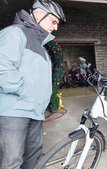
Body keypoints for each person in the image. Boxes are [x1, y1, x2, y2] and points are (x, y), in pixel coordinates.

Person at [0, 0, 66, 168]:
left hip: (35, 112)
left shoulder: (42, 47)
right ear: (39, 14)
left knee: (33, 161)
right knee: (12, 162)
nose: (55, 27)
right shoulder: (14, 33)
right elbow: (2, 67)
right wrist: (24, 92)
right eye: (54, 21)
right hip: (14, 111)